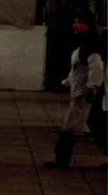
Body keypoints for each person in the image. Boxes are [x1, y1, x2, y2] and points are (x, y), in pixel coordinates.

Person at [44, 9, 105, 169]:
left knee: (72, 126)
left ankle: (62, 158)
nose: (75, 25)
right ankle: (61, 157)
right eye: (75, 22)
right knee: (98, 127)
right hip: (84, 92)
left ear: (88, 25)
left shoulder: (91, 45)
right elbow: (77, 70)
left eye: (79, 22)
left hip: (86, 95)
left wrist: (92, 88)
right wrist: (65, 83)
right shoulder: (84, 44)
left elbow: (96, 67)